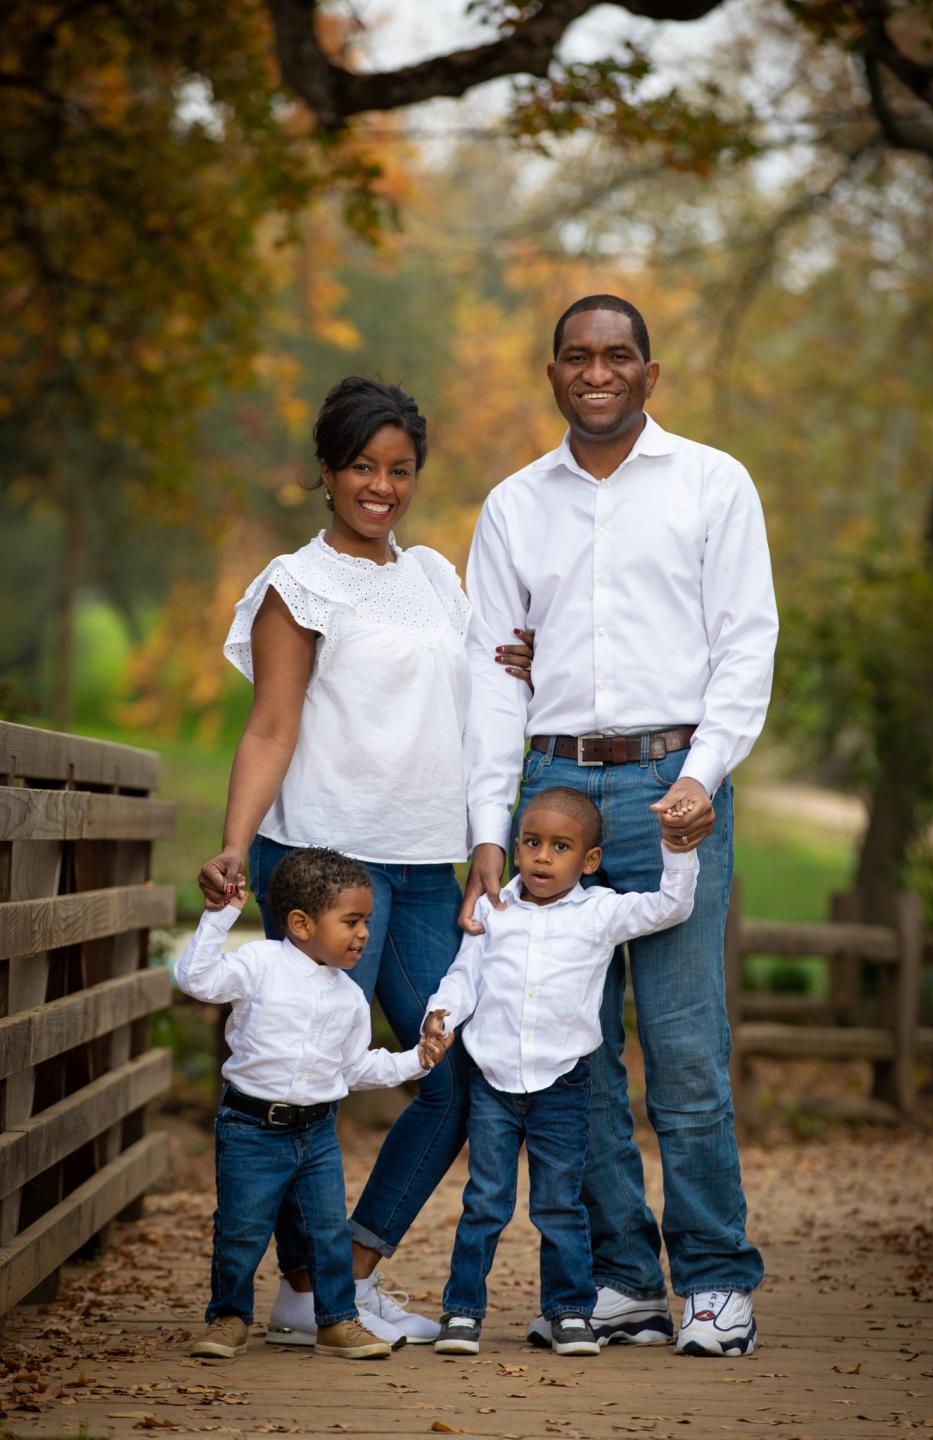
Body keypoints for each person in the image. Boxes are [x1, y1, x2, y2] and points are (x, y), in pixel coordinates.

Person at [460, 295, 778, 1358]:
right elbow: (493, 678)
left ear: (649, 371)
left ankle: (718, 1280)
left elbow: (746, 640)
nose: (597, 372)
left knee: (684, 1046)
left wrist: (704, 772)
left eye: (618, 356)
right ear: (553, 372)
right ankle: (624, 1282)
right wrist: (489, 832)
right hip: (552, 790)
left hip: (668, 788)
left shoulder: (711, 483)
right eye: (577, 357)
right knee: (569, 1056)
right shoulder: (513, 505)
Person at [197, 377, 531, 1348]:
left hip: (431, 863)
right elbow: (270, 725)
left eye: (400, 471)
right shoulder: (296, 585)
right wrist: (231, 840)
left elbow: (474, 690)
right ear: (328, 472)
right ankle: (308, 1287)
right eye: (362, 468)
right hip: (324, 867)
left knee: (459, 1064)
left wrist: (513, 669)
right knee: (304, 1075)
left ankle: (337, 1276)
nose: (381, 487)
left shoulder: (435, 575)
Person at [424, 787, 698, 1358]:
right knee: (485, 1202)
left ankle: (570, 1312)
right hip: (493, 1082)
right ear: (515, 848)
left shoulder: (599, 913)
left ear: (589, 861)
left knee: (559, 1205)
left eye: (561, 846)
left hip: (563, 1085)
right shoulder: (493, 910)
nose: (542, 857)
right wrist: (441, 1015)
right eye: (531, 842)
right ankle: (462, 1312)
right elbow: (464, 976)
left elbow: (670, 907)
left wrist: (677, 849)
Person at [176, 847, 452, 1362]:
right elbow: (196, 979)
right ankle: (229, 1316)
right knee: (241, 1228)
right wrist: (221, 915)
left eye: (366, 921)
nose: (364, 933)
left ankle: (337, 1321)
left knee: (327, 1232)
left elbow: (353, 1069)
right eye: (351, 921)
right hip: (250, 1128)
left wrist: (417, 1059)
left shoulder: (348, 996)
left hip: (316, 1134)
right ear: (301, 923)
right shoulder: (259, 965)